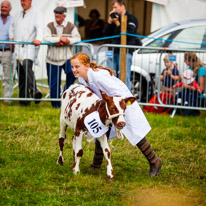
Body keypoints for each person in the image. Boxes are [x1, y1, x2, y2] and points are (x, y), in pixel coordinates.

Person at [70, 52, 162, 177]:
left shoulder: (98, 77)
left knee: (134, 132)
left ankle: (155, 161)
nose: (74, 70)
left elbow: (118, 92)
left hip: (122, 105)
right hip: (107, 107)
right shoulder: (82, 78)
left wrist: (117, 109)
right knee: (100, 129)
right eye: (72, 67)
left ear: (86, 66)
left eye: (77, 66)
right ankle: (96, 164)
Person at [44, 6, 81, 108]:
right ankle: (56, 104)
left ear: (64, 15)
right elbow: (46, 38)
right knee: (54, 82)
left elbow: (77, 38)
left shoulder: (71, 26)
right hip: (52, 58)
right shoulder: (49, 26)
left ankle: (65, 93)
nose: (57, 15)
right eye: (55, 13)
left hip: (67, 58)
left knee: (73, 73)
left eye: (59, 13)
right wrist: (58, 39)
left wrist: (67, 40)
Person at [9, 0, 43, 106]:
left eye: (25, 0)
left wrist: (39, 39)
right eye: (21, 0)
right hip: (18, 49)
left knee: (27, 66)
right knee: (21, 75)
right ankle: (24, 101)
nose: (22, 2)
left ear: (30, 1)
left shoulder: (36, 13)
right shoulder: (17, 14)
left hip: (29, 48)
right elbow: (12, 26)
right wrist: (11, 38)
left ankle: (34, 90)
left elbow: (40, 28)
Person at [103, 0, 138, 90]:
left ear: (122, 6)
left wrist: (118, 24)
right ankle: (112, 100)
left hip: (125, 52)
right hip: (112, 51)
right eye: (112, 8)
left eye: (115, 7)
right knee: (110, 76)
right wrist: (109, 22)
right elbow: (106, 34)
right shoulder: (114, 18)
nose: (113, 10)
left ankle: (126, 102)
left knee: (124, 78)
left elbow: (130, 34)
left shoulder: (132, 18)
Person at [0, 1, 13, 105]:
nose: (3, 8)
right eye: (2, 7)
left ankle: (7, 98)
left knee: (7, 76)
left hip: (7, 51)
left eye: (5, 7)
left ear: (10, 9)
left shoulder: (13, 20)